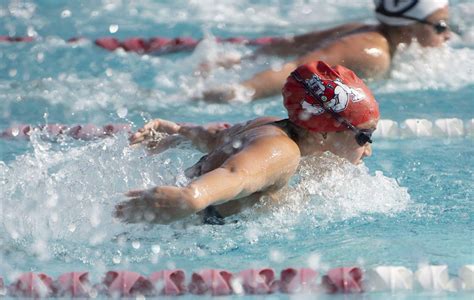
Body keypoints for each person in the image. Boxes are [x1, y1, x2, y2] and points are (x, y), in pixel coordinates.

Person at [114, 61, 380, 225]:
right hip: (169, 222)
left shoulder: (270, 127)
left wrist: (178, 132)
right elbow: (236, 175)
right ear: (323, 132)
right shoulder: (281, 152)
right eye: (363, 137)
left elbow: (217, 138)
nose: (368, 150)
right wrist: (191, 198)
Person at [201, 0, 451, 102]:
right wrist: (239, 92)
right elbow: (300, 70)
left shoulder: (362, 29)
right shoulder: (372, 53)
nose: (448, 35)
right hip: (262, 82)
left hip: (252, 67)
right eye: (440, 26)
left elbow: (290, 43)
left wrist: (238, 61)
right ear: (407, 27)